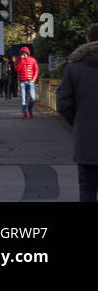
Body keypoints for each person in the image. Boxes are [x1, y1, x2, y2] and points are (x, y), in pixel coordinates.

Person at [57, 23, 98, 203]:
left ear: (88, 39)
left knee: (87, 190)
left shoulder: (74, 67)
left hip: (87, 139)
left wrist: (79, 122)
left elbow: (64, 104)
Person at [17, 45, 40, 118]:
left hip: (30, 81)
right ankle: (24, 113)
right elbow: (17, 69)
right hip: (22, 81)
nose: (24, 54)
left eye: (26, 53)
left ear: (28, 53)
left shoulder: (32, 59)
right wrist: (22, 60)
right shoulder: (19, 60)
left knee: (33, 98)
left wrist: (34, 79)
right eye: (23, 53)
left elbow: (36, 69)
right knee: (23, 98)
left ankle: (29, 109)